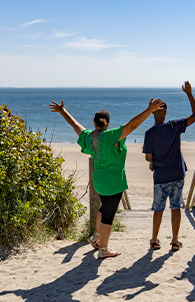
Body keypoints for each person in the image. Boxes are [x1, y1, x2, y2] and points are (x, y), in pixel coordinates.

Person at [49, 98, 164, 258]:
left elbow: (75, 125)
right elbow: (132, 125)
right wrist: (149, 110)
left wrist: (63, 112)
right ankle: (103, 250)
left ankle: (96, 237)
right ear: (108, 122)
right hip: (113, 183)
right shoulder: (111, 136)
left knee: (103, 208)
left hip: (99, 181)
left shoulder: (89, 137)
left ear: (94, 123)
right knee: (108, 217)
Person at [143, 81, 195, 251]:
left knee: (158, 209)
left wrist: (152, 162)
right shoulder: (174, 126)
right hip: (177, 174)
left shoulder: (150, 134)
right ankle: (175, 241)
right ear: (166, 112)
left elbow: (148, 158)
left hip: (161, 177)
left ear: (153, 112)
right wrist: (189, 94)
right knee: (176, 207)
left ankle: (154, 240)